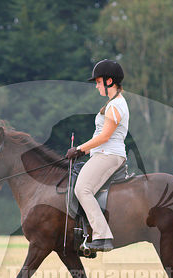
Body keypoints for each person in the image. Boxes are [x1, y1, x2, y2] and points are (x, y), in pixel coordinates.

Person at [66, 59, 129, 252]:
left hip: (109, 155)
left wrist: (79, 149)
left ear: (109, 81)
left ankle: (102, 236)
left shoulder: (116, 105)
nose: (96, 86)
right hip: (103, 154)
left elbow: (105, 136)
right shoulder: (112, 104)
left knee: (82, 189)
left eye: (98, 81)